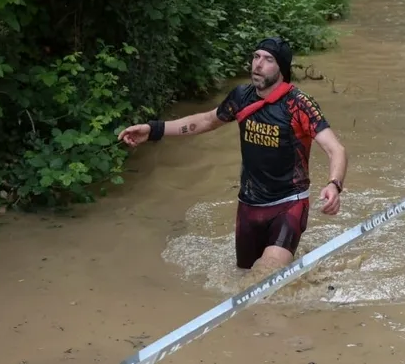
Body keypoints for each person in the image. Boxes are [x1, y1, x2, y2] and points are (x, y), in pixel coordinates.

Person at [117, 37, 348, 274]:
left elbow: (335, 149)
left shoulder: (299, 105)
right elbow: (206, 121)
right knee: (243, 276)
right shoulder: (240, 97)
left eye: (268, 59)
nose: (258, 64)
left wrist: (334, 185)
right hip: (248, 205)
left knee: (264, 276)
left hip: (288, 204)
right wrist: (153, 130)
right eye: (256, 57)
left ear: (282, 68)